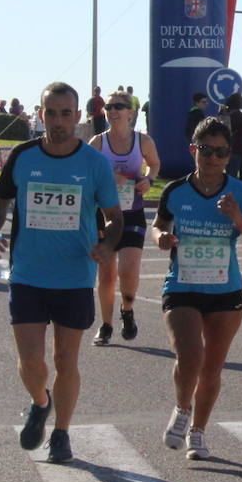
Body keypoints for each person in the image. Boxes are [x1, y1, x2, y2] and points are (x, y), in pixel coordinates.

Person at [0, 82, 123, 463]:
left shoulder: (94, 164)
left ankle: (61, 433)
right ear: (40, 114)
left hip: (74, 277)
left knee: (65, 361)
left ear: (78, 117)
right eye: (50, 113)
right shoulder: (23, 156)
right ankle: (40, 402)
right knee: (31, 363)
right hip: (27, 274)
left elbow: (115, 218)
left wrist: (108, 245)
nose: (58, 121)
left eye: (65, 114)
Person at [153, 117, 242, 459]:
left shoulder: (240, 193)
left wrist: (238, 219)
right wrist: (162, 238)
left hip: (225, 292)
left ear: (229, 156)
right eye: (206, 150)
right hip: (183, 286)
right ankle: (182, 408)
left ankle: (198, 433)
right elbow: (156, 226)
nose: (213, 158)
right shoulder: (175, 190)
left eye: (221, 152)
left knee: (212, 368)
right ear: (193, 150)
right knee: (190, 356)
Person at [89, 90, 161, 346]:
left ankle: (127, 311)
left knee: (128, 270)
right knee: (107, 275)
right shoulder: (98, 143)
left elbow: (154, 164)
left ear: (131, 112)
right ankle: (106, 325)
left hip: (132, 213)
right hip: (104, 215)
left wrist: (148, 180)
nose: (113, 111)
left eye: (119, 106)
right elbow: (86, 176)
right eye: (108, 107)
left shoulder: (143, 141)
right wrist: (109, 180)